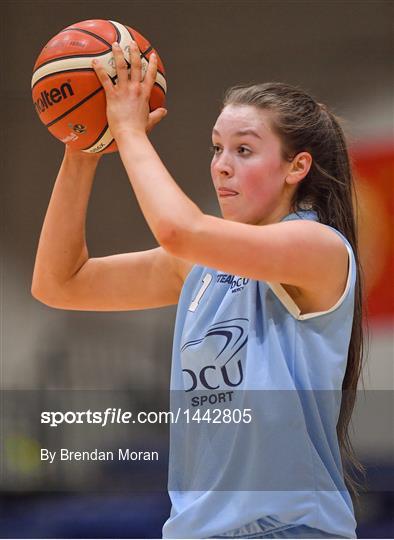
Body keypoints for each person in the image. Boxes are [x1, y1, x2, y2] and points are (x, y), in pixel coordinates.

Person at [32, 42, 365, 539]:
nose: (222, 165)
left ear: (297, 167)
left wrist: (126, 128)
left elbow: (179, 229)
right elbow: (59, 283)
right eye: (217, 148)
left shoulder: (318, 247)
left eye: (244, 150)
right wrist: (84, 146)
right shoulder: (199, 267)